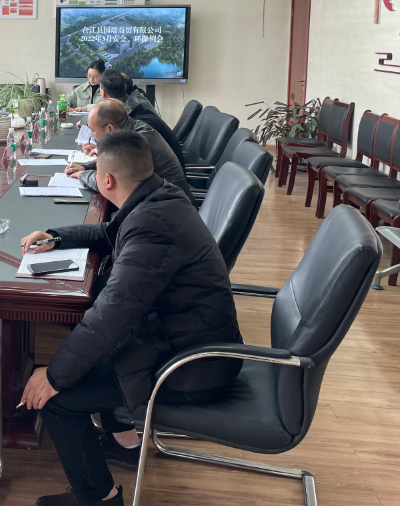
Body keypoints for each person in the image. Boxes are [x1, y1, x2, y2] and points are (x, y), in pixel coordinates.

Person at [19, 131, 242, 506]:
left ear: (106, 180)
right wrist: (58, 237)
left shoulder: (154, 224)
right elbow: (110, 232)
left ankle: (99, 498)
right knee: (91, 340)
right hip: (182, 339)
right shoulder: (160, 197)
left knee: (58, 400)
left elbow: (112, 315)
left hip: (189, 366)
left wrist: (54, 376)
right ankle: (121, 436)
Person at [66, 100, 193, 204]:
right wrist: (85, 167)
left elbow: (109, 182)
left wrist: (82, 175)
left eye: (93, 132)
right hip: (161, 199)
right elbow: (112, 160)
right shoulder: (135, 128)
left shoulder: (136, 142)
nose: (93, 136)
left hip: (168, 206)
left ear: (109, 128)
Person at [99, 70, 185, 165]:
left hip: (162, 172)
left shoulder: (133, 117)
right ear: (125, 87)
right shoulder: (137, 108)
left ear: (103, 93)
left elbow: (124, 158)